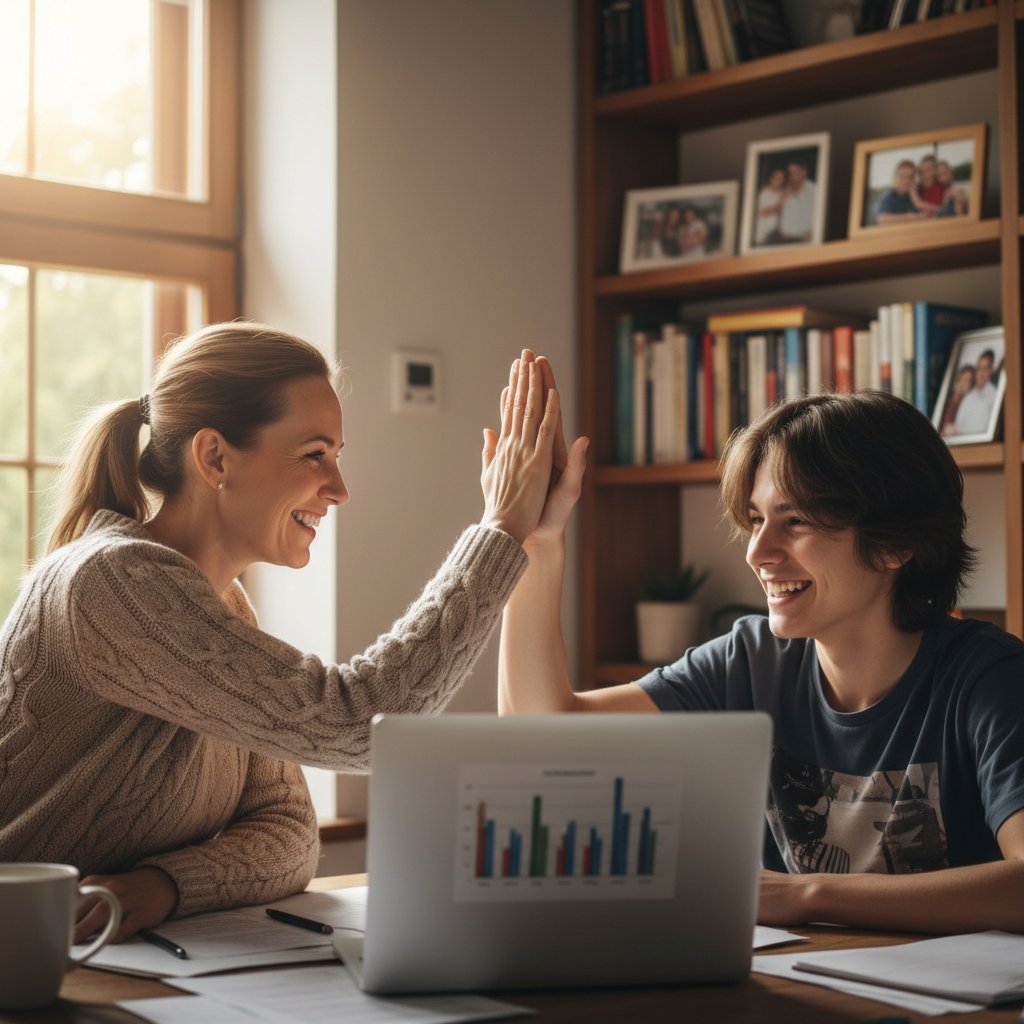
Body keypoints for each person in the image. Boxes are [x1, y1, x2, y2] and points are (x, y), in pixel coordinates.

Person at [0, 321, 563, 943]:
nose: (340, 490)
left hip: (91, 951)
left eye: (337, 457)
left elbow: (289, 832)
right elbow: (359, 726)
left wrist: (166, 884)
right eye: (314, 454)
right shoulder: (110, 582)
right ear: (214, 456)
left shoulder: (223, 608)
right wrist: (500, 530)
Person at [500, 375, 1024, 935]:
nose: (757, 551)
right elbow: (540, 733)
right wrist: (534, 542)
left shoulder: (989, 678)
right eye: (755, 519)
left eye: (794, 520)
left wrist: (803, 894)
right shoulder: (751, 660)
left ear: (895, 543)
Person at [953, 348, 998, 435]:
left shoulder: (994, 396)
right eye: (979, 368)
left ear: (991, 370)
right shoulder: (968, 397)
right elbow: (958, 426)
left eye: (985, 369)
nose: (981, 373)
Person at [874, 159, 933, 225]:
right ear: (895, 178)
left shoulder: (915, 194)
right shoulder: (889, 196)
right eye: (902, 177)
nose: (906, 181)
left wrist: (916, 199)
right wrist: (912, 217)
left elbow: (930, 214)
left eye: (910, 177)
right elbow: (882, 219)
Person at [774, 160, 816, 243]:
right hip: (785, 241)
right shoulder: (783, 192)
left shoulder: (814, 191)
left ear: (804, 172)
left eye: (795, 173)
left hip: (807, 241)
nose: (792, 177)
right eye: (790, 174)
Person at [753, 166, 787, 246]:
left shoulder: (781, 193)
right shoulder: (763, 194)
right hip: (762, 237)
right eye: (778, 178)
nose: (780, 182)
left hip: (776, 236)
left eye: (782, 179)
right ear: (771, 178)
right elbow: (764, 212)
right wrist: (781, 203)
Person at [940, 363, 976, 437]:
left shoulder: (969, 405)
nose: (962, 384)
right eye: (960, 379)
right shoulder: (948, 401)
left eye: (967, 381)